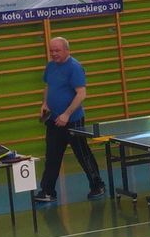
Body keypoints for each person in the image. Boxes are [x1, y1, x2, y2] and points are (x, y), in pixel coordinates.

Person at [31, 37, 106, 203]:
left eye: (57, 50)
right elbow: (48, 86)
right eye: (51, 51)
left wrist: (66, 114)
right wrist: (45, 103)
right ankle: (48, 191)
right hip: (53, 120)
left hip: (73, 121)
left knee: (83, 154)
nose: (54, 54)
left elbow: (81, 94)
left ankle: (97, 185)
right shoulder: (50, 66)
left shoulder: (74, 67)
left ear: (67, 50)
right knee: (52, 156)